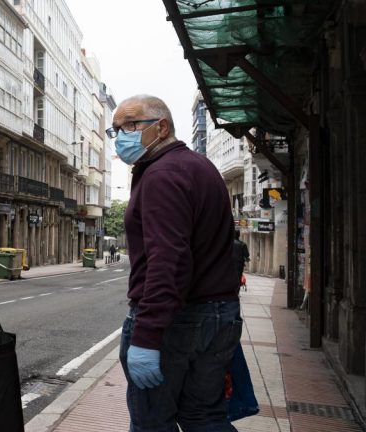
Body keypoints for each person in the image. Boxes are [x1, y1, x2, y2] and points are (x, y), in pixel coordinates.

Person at [109, 95, 241, 431]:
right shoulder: (200, 167)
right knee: (205, 417)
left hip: (177, 322)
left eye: (128, 125)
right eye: (115, 130)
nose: (120, 136)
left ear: (161, 127)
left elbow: (168, 262)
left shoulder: (161, 175)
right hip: (218, 314)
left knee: (152, 422)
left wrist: (147, 337)